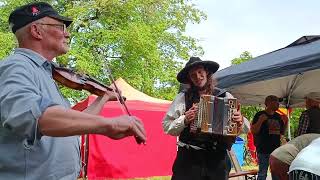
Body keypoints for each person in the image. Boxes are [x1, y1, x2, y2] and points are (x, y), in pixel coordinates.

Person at [0, 2, 146, 180]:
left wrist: (103, 98)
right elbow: (32, 116)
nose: (67, 33)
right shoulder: (16, 66)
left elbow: (72, 126)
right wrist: (110, 124)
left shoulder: (45, 73)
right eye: (61, 27)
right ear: (36, 31)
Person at [162, 57, 244, 180]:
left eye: (200, 72)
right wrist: (185, 120)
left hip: (217, 160)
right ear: (189, 79)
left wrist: (240, 120)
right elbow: (167, 126)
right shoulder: (183, 97)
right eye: (193, 75)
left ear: (207, 72)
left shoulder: (225, 96)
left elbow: (244, 127)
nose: (198, 76)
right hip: (189, 159)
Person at [251, 95, 285, 180]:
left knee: (276, 175)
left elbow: (281, 133)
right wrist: (260, 120)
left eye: (278, 102)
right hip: (263, 150)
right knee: (262, 174)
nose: (278, 104)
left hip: (276, 151)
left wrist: (286, 122)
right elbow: (254, 130)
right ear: (268, 103)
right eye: (275, 101)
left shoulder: (278, 116)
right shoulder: (260, 114)